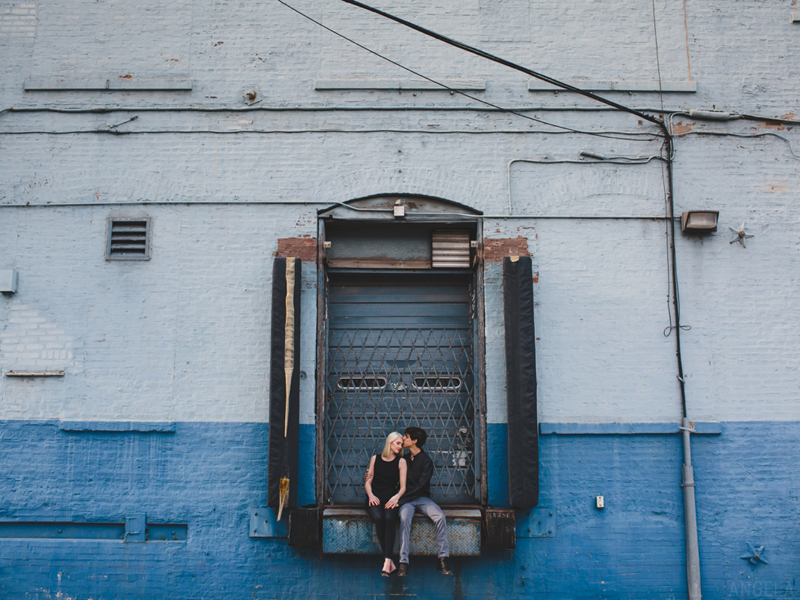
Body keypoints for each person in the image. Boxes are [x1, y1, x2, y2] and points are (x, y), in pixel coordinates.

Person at [396, 426, 453, 577]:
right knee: (404, 518)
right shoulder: (404, 459)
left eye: (406, 436)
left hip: (421, 499)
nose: (403, 438)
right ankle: (403, 563)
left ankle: (443, 560)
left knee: (439, 517)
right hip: (407, 501)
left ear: (414, 441)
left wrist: (401, 499)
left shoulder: (426, 461)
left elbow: (422, 485)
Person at [365, 431, 407, 577]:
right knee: (379, 519)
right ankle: (388, 560)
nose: (400, 447)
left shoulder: (401, 462)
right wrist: (370, 495)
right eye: (398, 443)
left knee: (389, 519)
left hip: (391, 498)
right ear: (390, 443)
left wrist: (396, 497)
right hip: (375, 497)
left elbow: (403, 487)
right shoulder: (375, 459)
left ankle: (387, 561)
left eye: (401, 444)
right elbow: (368, 481)